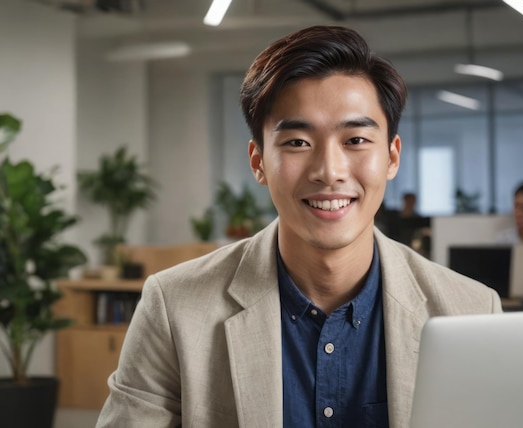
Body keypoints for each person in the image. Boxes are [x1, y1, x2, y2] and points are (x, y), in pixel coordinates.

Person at [96, 25, 502, 428]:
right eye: (297, 143)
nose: (329, 171)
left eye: (356, 140)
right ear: (258, 162)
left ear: (392, 157)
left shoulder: (470, 313)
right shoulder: (176, 308)